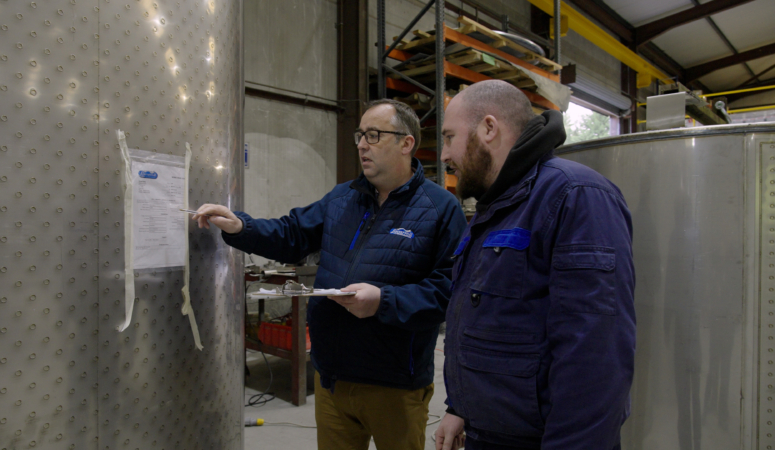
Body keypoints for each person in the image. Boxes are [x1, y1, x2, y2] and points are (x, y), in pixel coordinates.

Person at [193, 99, 467, 450]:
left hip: (395, 385)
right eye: (360, 135)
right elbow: (292, 234)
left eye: (373, 135)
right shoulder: (343, 198)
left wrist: (383, 301)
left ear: (406, 143)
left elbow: (448, 292)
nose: (362, 145)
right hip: (332, 379)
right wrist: (241, 227)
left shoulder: (440, 209)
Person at [434, 80, 635, 450]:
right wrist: (459, 406)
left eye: (449, 137)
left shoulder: (575, 196)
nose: (444, 154)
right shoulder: (495, 208)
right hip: (489, 432)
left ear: (489, 129)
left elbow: (595, 360)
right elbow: (493, 325)